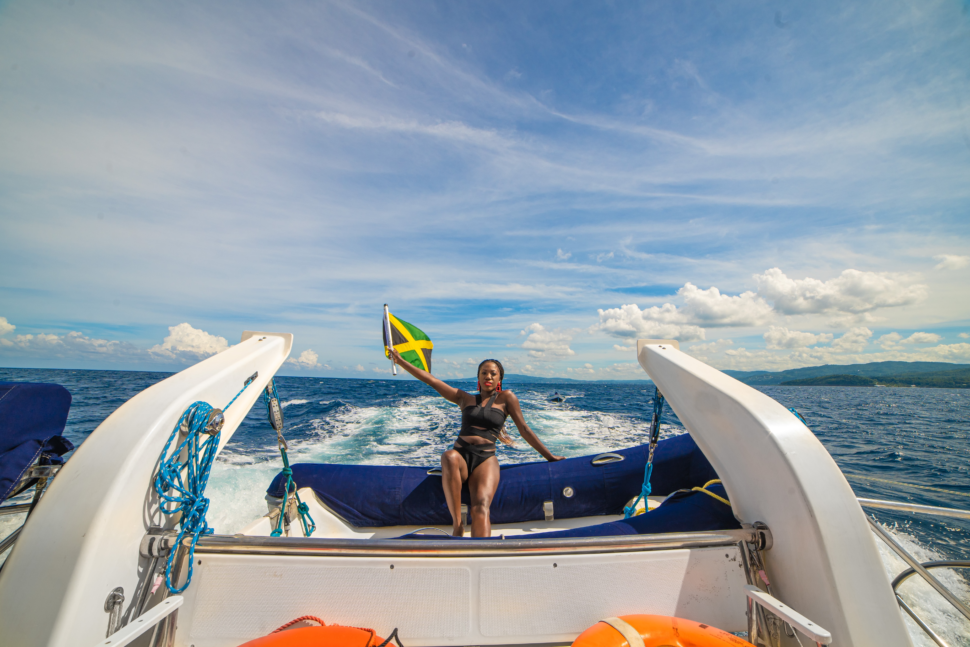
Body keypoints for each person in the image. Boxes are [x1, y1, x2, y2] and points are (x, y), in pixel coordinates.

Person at [389, 349, 564, 537]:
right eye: (484, 373)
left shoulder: (507, 398)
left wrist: (550, 457)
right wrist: (399, 361)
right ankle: (457, 526)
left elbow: (524, 429)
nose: (488, 376)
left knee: (480, 508)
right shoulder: (464, 398)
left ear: (499, 380)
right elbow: (431, 380)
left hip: (485, 459)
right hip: (460, 457)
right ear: (478, 377)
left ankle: (481, 554)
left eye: (493, 373)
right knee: (449, 456)